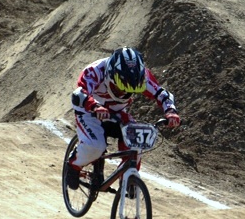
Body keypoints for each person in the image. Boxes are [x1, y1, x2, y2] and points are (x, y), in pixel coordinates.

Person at [66, 46, 180, 189]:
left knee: (136, 143)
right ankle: (73, 165)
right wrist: (94, 106)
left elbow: (162, 94)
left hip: (117, 112)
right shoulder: (95, 71)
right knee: (96, 146)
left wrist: (170, 111)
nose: (124, 93)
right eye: (120, 88)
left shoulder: (142, 75)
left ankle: (128, 179)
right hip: (89, 110)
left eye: (130, 90)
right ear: (112, 74)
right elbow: (79, 93)